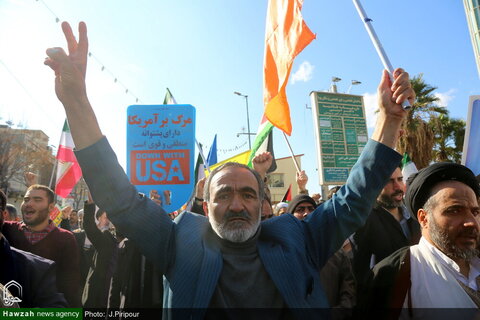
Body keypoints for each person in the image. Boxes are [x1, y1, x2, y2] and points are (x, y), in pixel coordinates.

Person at [44, 21, 414, 316]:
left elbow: (352, 200)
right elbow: (120, 199)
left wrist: (389, 121)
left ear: (260, 202)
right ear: (206, 207)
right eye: (224, 194)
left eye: (248, 194)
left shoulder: (297, 238)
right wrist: (77, 102)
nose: (237, 204)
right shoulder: (177, 241)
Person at [359, 162, 480, 318]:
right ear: (424, 218)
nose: (471, 222)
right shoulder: (396, 274)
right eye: (454, 210)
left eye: (475, 212)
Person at [1, 184, 81, 307]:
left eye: (37, 200)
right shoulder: (7, 229)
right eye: (26, 199)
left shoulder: (66, 239)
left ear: (51, 208)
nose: (29, 204)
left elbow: (70, 285)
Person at [352, 166, 421, 294]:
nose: (397, 186)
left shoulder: (415, 215)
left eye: (400, 179)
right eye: (389, 181)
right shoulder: (365, 220)